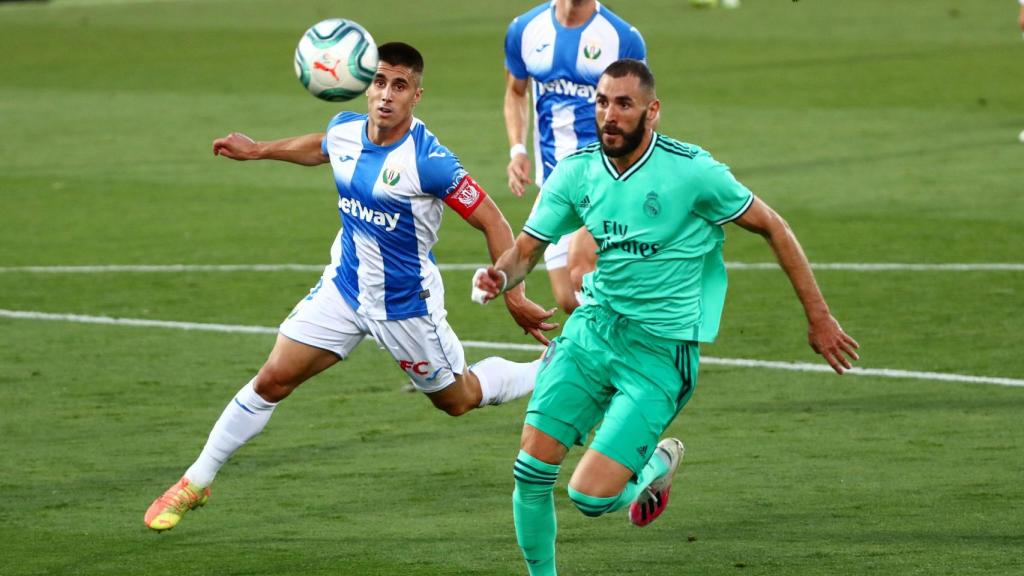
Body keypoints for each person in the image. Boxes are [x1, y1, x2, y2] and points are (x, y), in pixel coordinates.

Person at [143, 42, 557, 532]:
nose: (385, 95)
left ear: (416, 96)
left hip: (405, 307)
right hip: (343, 288)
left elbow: (493, 222)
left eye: (399, 85)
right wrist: (258, 150)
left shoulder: (431, 162)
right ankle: (195, 480)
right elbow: (320, 147)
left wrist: (512, 292)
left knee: (458, 399)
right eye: (379, 82)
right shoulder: (346, 131)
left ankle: (551, 367)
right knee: (272, 379)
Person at [475, 59, 860, 576]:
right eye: (602, 102)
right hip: (592, 333)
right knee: (530, 472)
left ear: (651, 111)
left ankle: (657, 464)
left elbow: (774, 226)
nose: (609, 115)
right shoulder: (576, 170)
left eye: (624, 104)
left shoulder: (692, 171)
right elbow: (525, 251)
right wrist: (501, 277)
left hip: (660, 353)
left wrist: (819, 318)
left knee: (588, 498)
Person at [504, 0, 646, 313]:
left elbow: (643, 112)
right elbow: (516, 92)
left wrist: (631, 178)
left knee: (584, 280)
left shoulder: (622, 38)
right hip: (556, 184)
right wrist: (518, 150)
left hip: (605, 181)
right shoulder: (525, 29)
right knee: (570, 299)